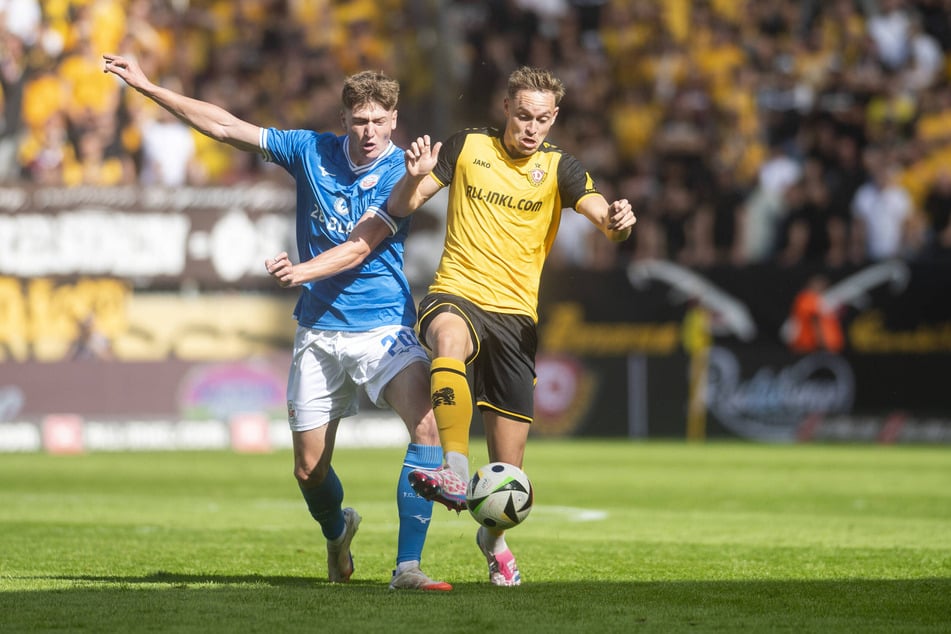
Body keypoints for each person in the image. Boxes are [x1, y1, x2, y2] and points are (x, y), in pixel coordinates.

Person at [102, 53, 465, 591]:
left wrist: (302, 270)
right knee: (309, 471)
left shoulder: (405, 171)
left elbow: (361, 245)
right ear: (344, 121)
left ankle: (407, 567)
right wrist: (151, 87)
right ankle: (337, 529)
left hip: (383, 325)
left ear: (394, 121)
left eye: (379, 121)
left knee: (426, 424)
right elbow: (225, 127)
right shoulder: (309, 151)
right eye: (359, 121)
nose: (369, 132)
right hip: (319, 330)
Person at [387, 66, 636, 586]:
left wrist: (614, 221)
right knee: (447, 338)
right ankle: (453, 469)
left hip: (516, 321)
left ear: (554, 118)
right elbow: (404, 206)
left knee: (510, 475)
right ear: (505, 108)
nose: (531, 127)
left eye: (542, 119)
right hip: (456, 291)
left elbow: (599, 216)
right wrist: (414, 176)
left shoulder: (560, 167)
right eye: (523, 115)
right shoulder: (467, 147)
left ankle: (493, 538)